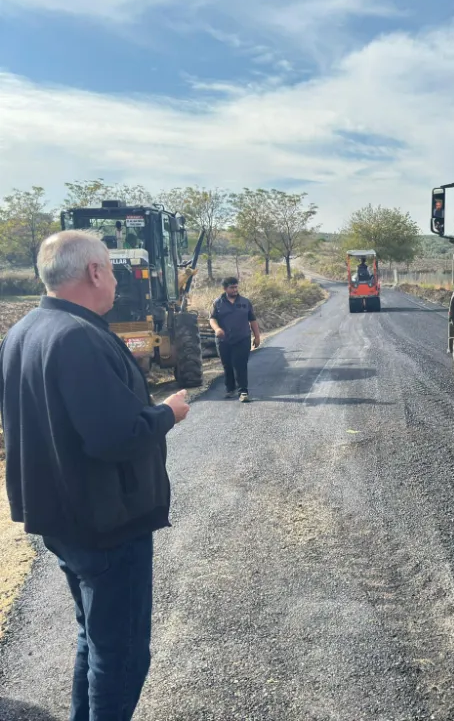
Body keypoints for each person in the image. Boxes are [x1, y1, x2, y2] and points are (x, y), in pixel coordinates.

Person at [0, 230, 191, 721]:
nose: (115, 281)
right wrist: (168, 413)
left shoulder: (24, 331)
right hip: (106, 522)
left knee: (94, 638)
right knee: (121, 654)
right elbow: (115, 437)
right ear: (94, 272)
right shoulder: (79, 338)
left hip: (61, 517)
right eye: (112, 269)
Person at [209, 277, 261, 403]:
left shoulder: (245, 302)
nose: (235, 289)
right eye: (232, 287)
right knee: (227, 365)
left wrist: (257, 336)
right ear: (225, 288)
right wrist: (217, 329)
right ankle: (230, 389)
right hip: (223, 340)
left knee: (240, 365)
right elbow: (212, 319)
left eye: (236, 287)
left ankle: (243, 392)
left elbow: (252, 320)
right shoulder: (217, 303)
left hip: (242, 338)